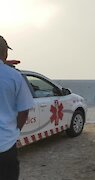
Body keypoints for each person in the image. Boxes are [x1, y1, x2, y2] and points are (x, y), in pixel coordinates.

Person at [0, 35, 34, 180]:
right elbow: (24, 110)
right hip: (5, 145)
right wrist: (15, 130)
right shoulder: (14, 76)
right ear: (5, 53)